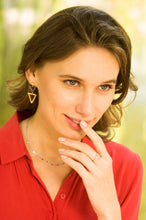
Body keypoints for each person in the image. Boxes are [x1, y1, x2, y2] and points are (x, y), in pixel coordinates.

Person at [0, 5, 143, 220]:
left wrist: (110, 214)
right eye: (72, 82)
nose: (87, 109)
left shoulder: (124, 168)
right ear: (32, 72)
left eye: (104, 87)